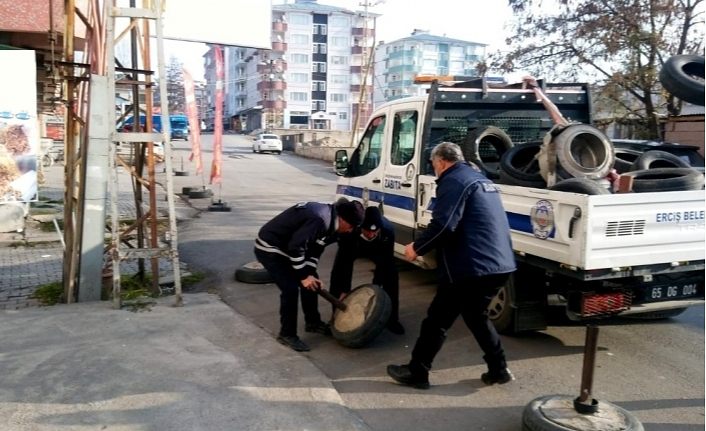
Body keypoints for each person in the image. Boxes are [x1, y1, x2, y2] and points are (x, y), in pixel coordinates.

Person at [386, 142, 516, 389]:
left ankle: (417, 372)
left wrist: (417, 247)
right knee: (476, 317)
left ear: (441, 162)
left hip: (470, 268)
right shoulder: (479, 179)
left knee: (437, 321)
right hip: (500, 265)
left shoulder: (454, 181)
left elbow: (445, 225)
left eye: (434, 165)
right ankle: (498, 369)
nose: (435, 170)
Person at [254, 199, 365, 352]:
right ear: (343, 219)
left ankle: (313, 323)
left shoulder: (332, 222)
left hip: (288, 247)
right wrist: (303, 276)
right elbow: (296, 247)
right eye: (351, 226)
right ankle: (287, 334)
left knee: (313, 282)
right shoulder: (320, 220)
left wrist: (309, 273)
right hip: (271, 248)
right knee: (290, 289)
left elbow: (315, 249)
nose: (351, 230)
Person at [330, 205, 405, 335]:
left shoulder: (387, 231)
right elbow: (345, 265)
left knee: (391, 275)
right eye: (367, 231)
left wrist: (375, 290)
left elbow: (384, 263)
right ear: (361, 227)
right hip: (355, 246)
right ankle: (336, 316)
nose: (371, 234)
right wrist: (344, 290)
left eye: (374, 231)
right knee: (338, 274)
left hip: (378, 250)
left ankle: (392, 319)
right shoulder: (351, 231)